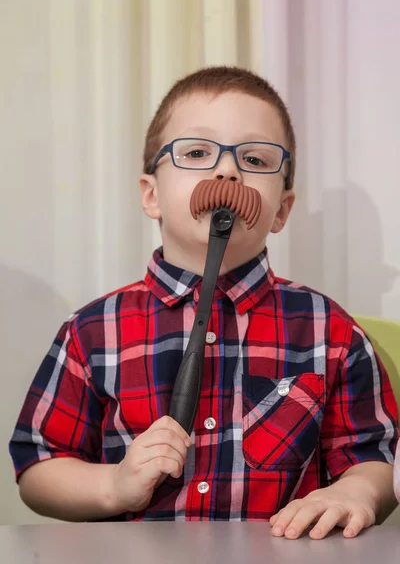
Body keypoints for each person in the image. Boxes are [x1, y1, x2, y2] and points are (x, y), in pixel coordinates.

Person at [9, 66, 399, 539]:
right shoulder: (92, 331)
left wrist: (356, 491)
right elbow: (38, 466)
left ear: (281, 210)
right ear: (151, 195)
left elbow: (375, 456)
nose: (227, 170)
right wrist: (113, 484)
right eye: (197, 152)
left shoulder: (329, 331)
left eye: (255, 160)